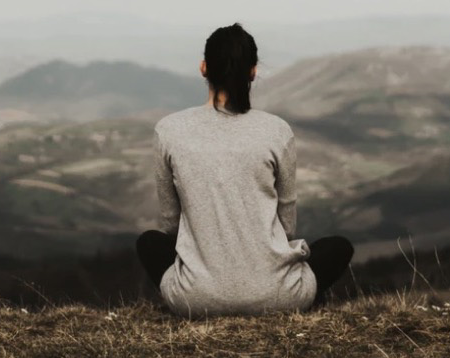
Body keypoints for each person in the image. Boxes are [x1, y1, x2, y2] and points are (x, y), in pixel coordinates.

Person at [136, 22, 354, 318]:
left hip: (195, 299)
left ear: (203, 68)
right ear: (253, 71)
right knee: (338, 247)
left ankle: (207, 290)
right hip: (279, 297)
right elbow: (287, 227)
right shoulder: (277, 130)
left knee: (149, 243)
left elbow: (171, 224)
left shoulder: (169, 130)